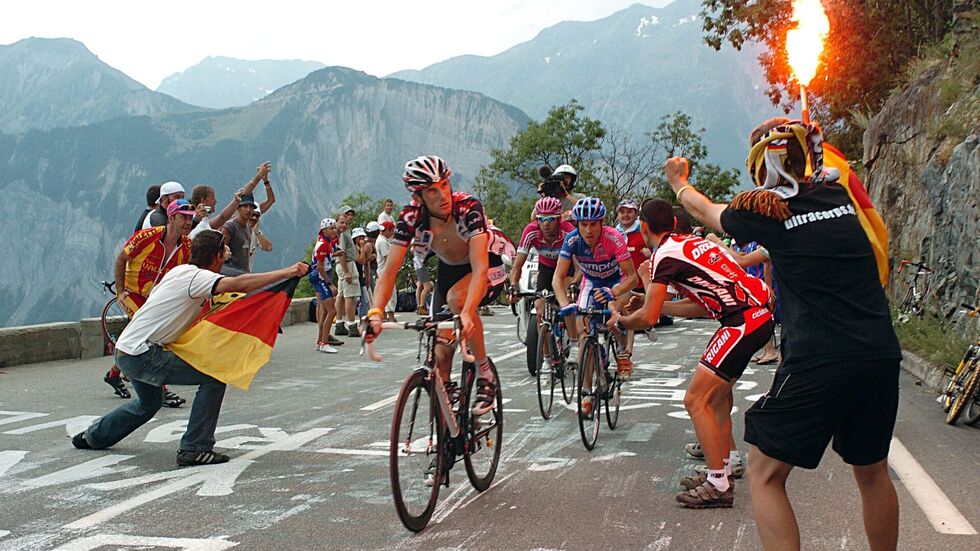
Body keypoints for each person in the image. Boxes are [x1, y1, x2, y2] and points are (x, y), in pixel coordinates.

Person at [668, 118, 901, 550]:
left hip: (819, 358)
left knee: (764, 473)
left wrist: (680, 183)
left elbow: (707, 212)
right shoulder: (840, 194)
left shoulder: (767, 210)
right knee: (872, 471)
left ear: (762, 165)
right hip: (880, 352)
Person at [73, 230, 309, 466]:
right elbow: (237, 284)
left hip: (126, 348)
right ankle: (194, 448)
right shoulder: (198, 278)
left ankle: (93, 436)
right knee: (214, 377)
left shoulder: (178, 272)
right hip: (143, 353)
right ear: (217, 256)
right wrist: (288, 272)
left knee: (148, 404)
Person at [616, 198, 774, 508]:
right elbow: (701, 306)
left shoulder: (664, 256)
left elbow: (648, 318)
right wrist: (654, 303)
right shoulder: (693, 244)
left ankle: (718, 484)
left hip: (742, 321)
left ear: (644, 228)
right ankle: (725, 466)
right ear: (674, 224)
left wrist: (620, 320)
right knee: (715, 397)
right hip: (756, 315)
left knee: (695, 399)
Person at [367, 155, 511, 417]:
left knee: (458, 301)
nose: (443, 195)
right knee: (441, 352)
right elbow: (389, 273)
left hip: (485, 268)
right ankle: (449, 435)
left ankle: (484, 372)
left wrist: (467, 312)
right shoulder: (411, 217)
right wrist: (375, 312)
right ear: (418, 197)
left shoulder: (468, 208)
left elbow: (479, 269)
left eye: (444, 185)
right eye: (433, 191)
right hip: (450, 271)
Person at [109, 199, 200, 406]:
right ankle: (162, 389)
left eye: (190, 217)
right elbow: (121, 259)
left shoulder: (187, 246)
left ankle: (114, 373)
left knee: (149, 335)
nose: (188, 222)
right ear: (171, 217)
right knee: (149, 335)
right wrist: (120, 291)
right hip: (134, 293)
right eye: (183, 217)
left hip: (156, 299)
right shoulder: (146, 237)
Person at [552, 197, 637, 416]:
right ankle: (587, 392)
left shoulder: (614, 238)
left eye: (593, 224)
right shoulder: (572, 241)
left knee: (613, 315)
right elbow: (557, 279)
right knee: (584, 338)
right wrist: (565, 305)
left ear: (602, 223)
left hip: (615, 282)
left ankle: (622, 349)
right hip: (590, 282)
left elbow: (632, 278)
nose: (588, 230)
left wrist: (615, 292)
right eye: (583, 224)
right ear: (577, 225)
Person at [507, 196, 579, 356]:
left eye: (551, 219)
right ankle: (546, 360)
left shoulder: (568, 232)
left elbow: (579, 264)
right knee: (540, 310)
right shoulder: (531, 231)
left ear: (559, 219)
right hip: (545, 269)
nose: (546, 223)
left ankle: (574, 343)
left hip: (566, 269)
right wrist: (513, 285)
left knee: (565, 300)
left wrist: (575, 282)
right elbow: (517, 265)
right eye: (542, 219)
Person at [188, 162, 271, 239]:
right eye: (213, 198)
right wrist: (258, 176)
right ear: (203, 201)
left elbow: (223, 216)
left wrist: (260, 176)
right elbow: (223, 217)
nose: (215, 201)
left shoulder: (204, 221)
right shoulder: (191, 221)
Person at [311, 218, 341, 353]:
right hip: (321, 277)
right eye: (331, 228)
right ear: (324, 230)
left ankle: (320, 341)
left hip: (321, 276)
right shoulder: (323, 244)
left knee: (324, 312)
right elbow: (320, 266)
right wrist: (330, 284)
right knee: (332, 311)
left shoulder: (326, 242)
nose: (334, 231)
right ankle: (324, 343)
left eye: (335, 228)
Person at [333, 208, 361, 337]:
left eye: (351, 216)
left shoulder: (342, 233)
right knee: (350, 296)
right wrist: (347, 272)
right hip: (347, 265)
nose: (349, 218)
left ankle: (339, 323)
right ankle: (352, 325)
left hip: (342, 266)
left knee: (341, 294)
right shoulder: (343, 234)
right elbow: (341, 253)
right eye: (346, 215)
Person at [374, 220, 398, 322]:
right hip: (386, 270)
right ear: (387, 230)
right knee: (391, 294)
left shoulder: (380, 239)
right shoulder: (383, 242)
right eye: (392, 230)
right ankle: (391, 316)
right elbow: (387, 257)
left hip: (382, 270)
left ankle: (384, 315)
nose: (392, 233)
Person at [247, 207, 273, 272]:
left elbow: (269, 248)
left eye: (257, 216)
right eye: (253, 215)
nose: (254, 218)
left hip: (246, 274)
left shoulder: (256, 233)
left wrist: (256, 232)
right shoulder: (234, 228)